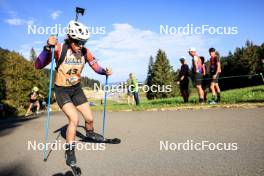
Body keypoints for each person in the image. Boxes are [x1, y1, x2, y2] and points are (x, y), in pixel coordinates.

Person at [35, 20, 112, 167]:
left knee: (89, 119)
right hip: (62, 90)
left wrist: (104, 71)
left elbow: (96, 67)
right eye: (78, 42)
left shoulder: (85, 51)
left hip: (76, 89)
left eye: (84, 41)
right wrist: (46, 48)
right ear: (70, 38)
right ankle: (69, 149)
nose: (81, 45)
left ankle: (90, 134)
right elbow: (38, 65)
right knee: (74, 119)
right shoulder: (58, 48)